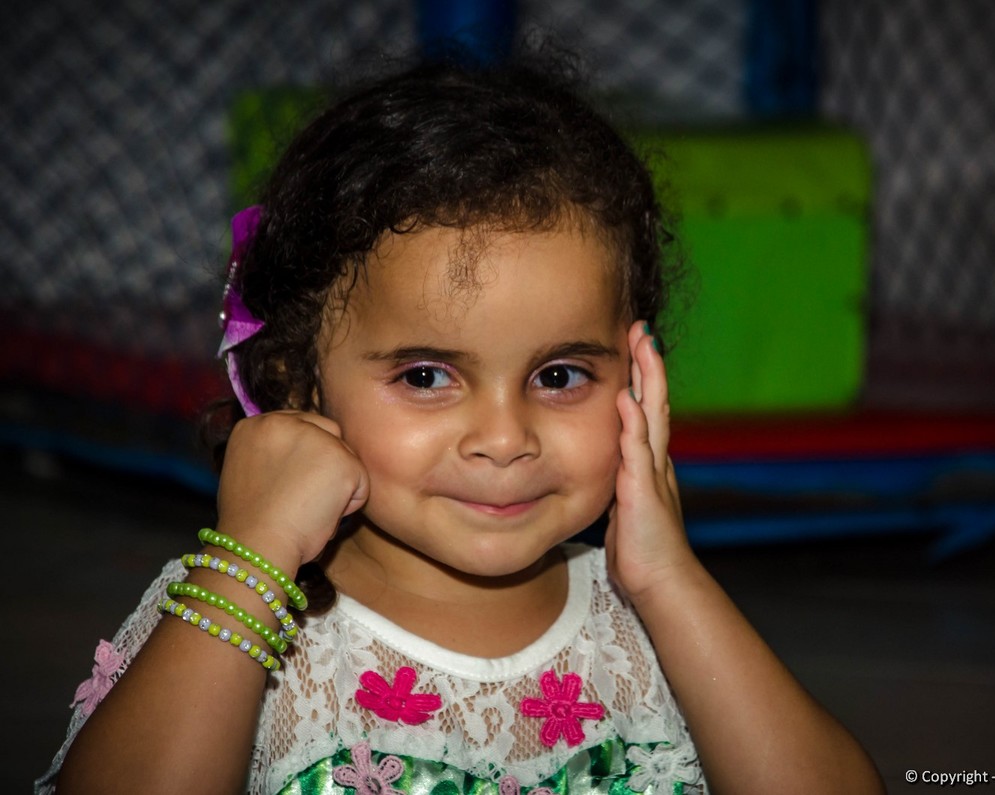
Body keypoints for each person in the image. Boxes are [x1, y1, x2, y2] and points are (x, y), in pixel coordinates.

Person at [41, 47, 884, 794]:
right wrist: (249, 560)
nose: (505, 439)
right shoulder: (239, 611)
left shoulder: (652, 629)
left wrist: (670, 581)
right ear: (299, 381)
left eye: (559, 375)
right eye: (426, 376)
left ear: (638, 378)